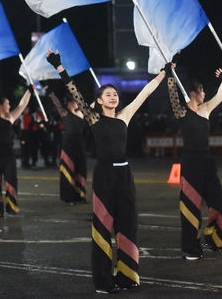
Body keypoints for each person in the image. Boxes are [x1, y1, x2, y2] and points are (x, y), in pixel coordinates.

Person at [47, 49, 165, 294]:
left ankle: (127, 276)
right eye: (107, 95)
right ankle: (103, 281)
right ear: (99, 101)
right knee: (102, 226)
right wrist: (59, 66)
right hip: (104, 176)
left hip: (125, 175)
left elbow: (146, 92)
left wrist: (165, 71)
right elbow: (75, 93)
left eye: (115, 94)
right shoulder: (93, 119)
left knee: (128, 224)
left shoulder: (124, 116)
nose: (113, 97)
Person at [167, 59, 222, 260]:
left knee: (221, 205)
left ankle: (213, 239)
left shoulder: (205, 109)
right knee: (190, 209)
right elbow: (172, 97)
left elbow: (221, 94)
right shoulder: (182, 111)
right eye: (202, 91)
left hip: (207, 163)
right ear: (193, 92)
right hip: (190, 164)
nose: (204, 94)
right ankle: (190, 249)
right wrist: (170, 75)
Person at [0, 82, 31, 217]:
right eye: (7, 103)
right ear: (1, 105)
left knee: (11, 181)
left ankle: (11, 207)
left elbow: (22, 104)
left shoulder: (11, 118)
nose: (9, 105)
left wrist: (29, 90)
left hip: (9, 156)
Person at [48, 91, 88, 204]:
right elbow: (57, 104)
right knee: (69, 168)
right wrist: (51, 93)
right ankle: (69, 196)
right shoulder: (64, 113)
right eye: (75, 102)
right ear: (70, 103)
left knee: (81, 168)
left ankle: (80, 194)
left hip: (79, 143)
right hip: (68, 144)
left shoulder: (81, 113)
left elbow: (86, 105)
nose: (77, 104)